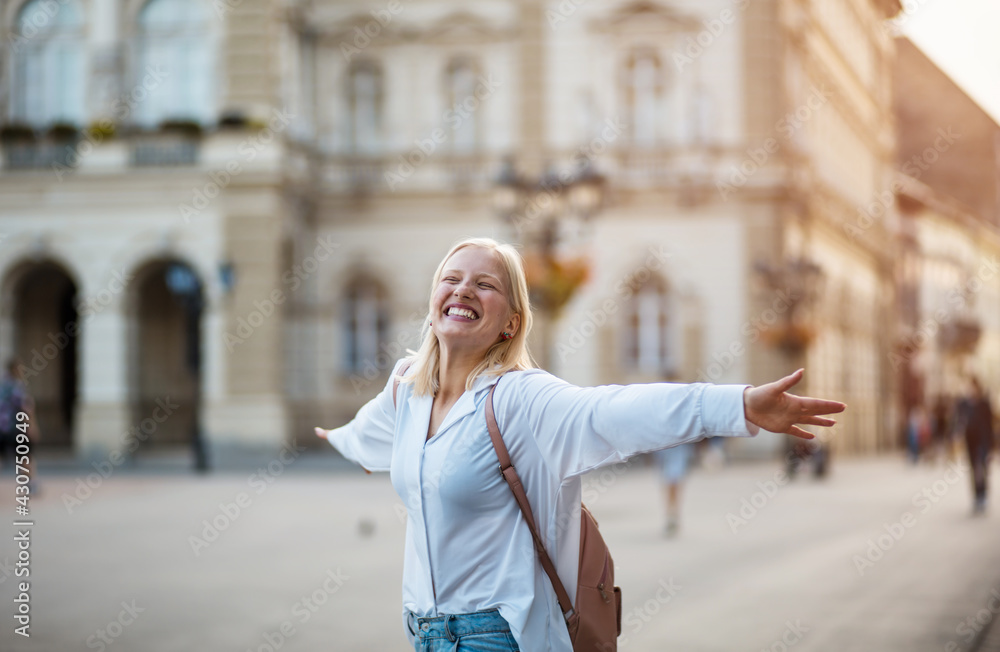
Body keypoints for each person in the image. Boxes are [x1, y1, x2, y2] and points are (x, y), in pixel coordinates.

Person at [314, 237, 845, 652]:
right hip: (423, 630)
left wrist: (739, 405)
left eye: (485, 284)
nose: (463, 290)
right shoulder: (407, 388)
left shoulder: (521, 399)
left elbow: (611, 412)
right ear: (433, 304)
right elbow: (370, 431)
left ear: (510, 324)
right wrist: (343, 444)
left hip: (498, 635)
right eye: (451, 279)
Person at [955, 377, 994, 514]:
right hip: (970, 442)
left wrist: (990, 446)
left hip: (983, 442)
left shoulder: (984, 403)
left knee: (982, 469)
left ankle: (983, 495)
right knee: (974, 469)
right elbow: (959, 420)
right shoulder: (964, 404)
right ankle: (976, 497)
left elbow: (990, 425)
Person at [653, 443, 693, 536]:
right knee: (669, 479)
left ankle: (672, 512)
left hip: (677, 444)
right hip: (663, 445)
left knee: (673, 477)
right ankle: (671, 512)